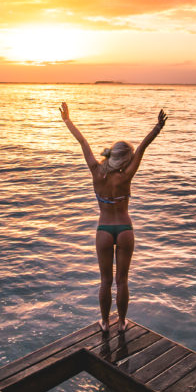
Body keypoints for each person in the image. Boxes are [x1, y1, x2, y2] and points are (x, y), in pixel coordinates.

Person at [60, 102, 167, 334]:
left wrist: (68, 120)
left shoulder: (95, 170)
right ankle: (122, 323)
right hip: (125, 230)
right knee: (122, 281)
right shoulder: (127, 175)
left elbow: (83, 143)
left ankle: (105, 323)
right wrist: (157, 128)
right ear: (125, 159)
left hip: (104, 231)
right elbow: (143, 148)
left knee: (105, 282)